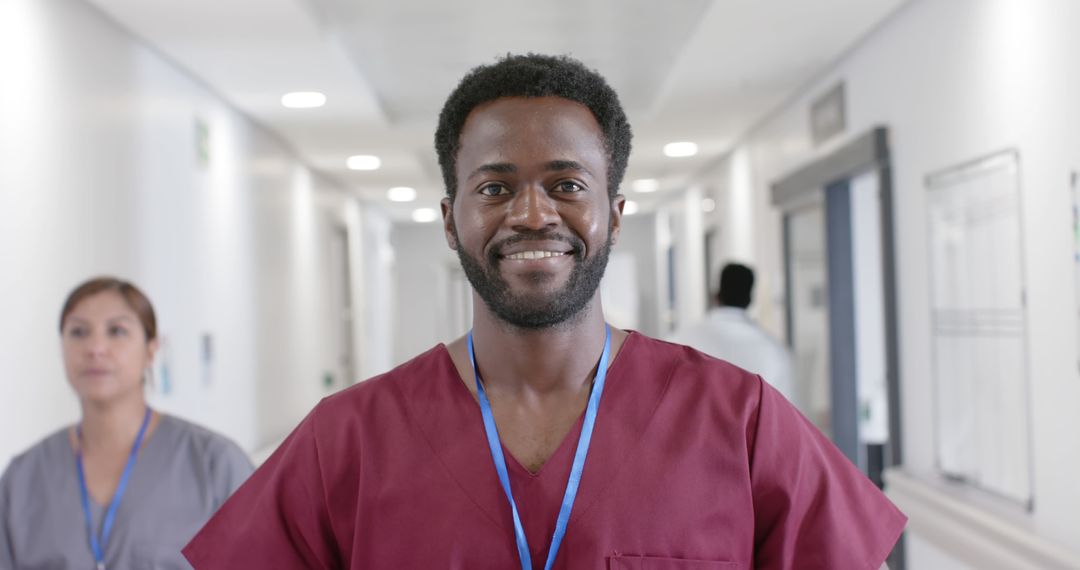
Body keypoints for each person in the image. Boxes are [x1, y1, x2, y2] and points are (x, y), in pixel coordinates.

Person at [183, 54, 905, 569]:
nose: (532, 214)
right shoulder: (348, 441)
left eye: (566, 183)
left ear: (615, 215)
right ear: (448, 219)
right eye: (495, 188)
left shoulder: (740, 421)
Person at [0, 276, 253, 569]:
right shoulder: (22, 481)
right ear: (62, 348)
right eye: (79, 332)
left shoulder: (215, 465)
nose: (95, 347)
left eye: (117, 331)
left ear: (151, 349)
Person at [668, 263, 798, 405]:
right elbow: (785, 414)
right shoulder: (775, 351)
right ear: (749, 300)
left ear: (717, 295)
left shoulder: (679, 340)